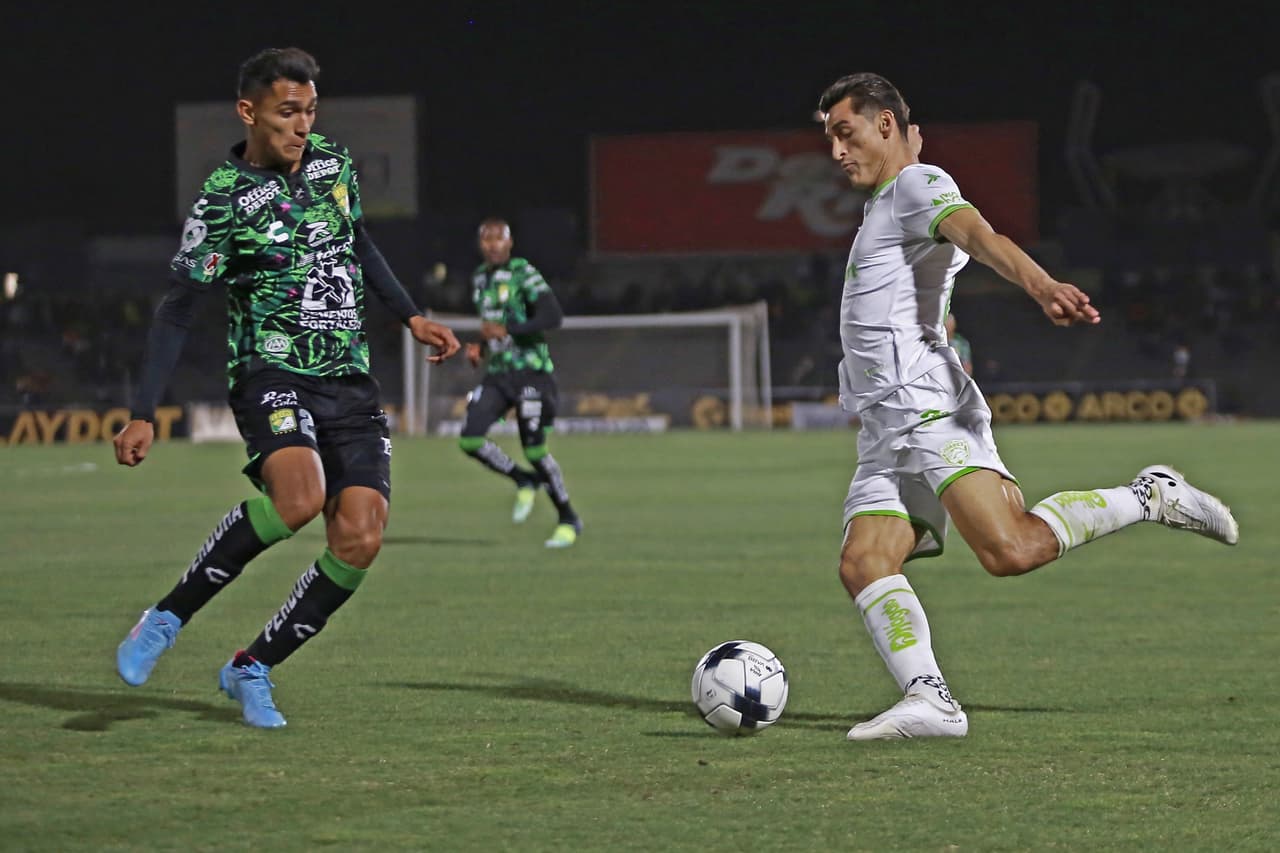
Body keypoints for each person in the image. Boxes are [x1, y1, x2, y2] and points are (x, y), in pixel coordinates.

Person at [817, 72, 1239, 741]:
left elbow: (977, 234)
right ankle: (930, 699)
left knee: (1009, 548)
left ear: (887, 125)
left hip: (928, 408)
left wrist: (1041, 285)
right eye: (830, 137)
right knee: (864, 561)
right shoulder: (887, 202)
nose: (836, 150)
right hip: (885, 423)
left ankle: (1150, 495)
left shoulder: (915, 186)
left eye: (846, 132)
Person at [112, 47, 460, 728]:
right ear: (249, 112)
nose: (301, 125)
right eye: (286, 112)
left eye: (308, 110)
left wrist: (412, 315)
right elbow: (179, 307)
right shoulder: (223, 199)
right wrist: (143, 411)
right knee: (299, 498)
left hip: (349, 380)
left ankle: (251, 667)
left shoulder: (333, 163)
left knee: (361, 535)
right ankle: (165, 617)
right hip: (272, 372)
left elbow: (357, 243)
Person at [458, 218, 582, 548]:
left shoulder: (523, 272)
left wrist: (510, 331)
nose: (493, 245)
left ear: (510, 243)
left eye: (499, 239)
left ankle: (569, 518)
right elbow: (493, 325)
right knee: (470, 440)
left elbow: (552, 316)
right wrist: (480, 347)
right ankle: (523, 479)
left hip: (532, 373)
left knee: (535, 449)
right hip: (499, 374)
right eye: (487, 239)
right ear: (481, 244)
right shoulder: (480, 278)